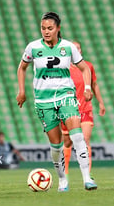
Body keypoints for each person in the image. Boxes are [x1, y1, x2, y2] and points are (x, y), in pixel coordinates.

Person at [16, 12, 97, 191]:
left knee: (77, 136)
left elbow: (85, 69)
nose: (46, 31)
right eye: (43, 28)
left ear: (58, 29)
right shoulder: (33, 47)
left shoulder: (68, 47)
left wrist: (87, 88)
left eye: (50, 28)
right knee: (56, 144)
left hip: (66, 96)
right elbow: (22, 68)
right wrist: (21, 91)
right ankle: (62, 180)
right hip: (43, 101)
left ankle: (87, 178)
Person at [61, 41, 106, 177]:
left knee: (85, 139)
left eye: (78, 48)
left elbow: (94, 84)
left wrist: (101, 103)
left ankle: (87, 174)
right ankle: (65, 172)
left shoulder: (88, 66)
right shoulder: (63, 68)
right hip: (68, 109)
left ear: (80, 51)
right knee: (67, 142)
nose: (76, 50)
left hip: (86, 109)